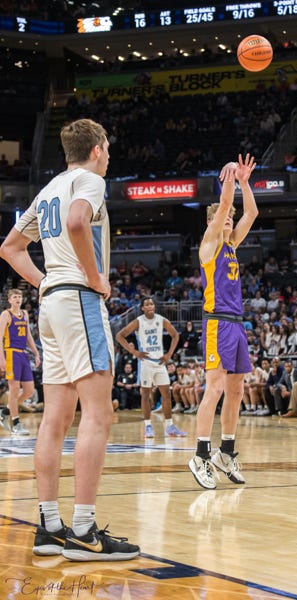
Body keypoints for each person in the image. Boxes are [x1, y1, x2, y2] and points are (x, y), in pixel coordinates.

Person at [0, 118, 139, 561]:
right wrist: (95, 278)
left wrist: (44, 281)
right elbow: (78, 222)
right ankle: (83, 531)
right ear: (96, 149)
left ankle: (49, 527)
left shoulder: (48, 189)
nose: (109, 156)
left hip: (52, 305)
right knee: (98, 414)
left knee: (54, 420)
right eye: (108, 149)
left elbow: (9, 248)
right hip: (79, 300)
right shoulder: (90, 181)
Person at [188, 153, 258, 490]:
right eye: (224, 217)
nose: (229, 219)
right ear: (212, 222)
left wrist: (245, 183)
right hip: (217, 323)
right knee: (214, 388)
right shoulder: (209, 245)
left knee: (236, 390)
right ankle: (200, 455)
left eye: (230, 217)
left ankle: (226, 452)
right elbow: (226, 203)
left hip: (237, 323)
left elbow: (252, 213)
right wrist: (230, 178)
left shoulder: (232, 245)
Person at [115, 296, 187, 439]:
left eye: (152, 304)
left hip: (160, 362)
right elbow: (119, 336)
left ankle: (170, 426)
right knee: (145, 395)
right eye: (147, 304)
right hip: (146, 362)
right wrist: (134, 352)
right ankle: (148, 426)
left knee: (166, 394)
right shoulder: (138, 321)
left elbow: (175, 335)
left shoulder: (161, 320)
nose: (150, 306)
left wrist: (169, 354)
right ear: (142, 308)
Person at [0, 288, 41, 435]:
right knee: (15, 389)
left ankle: (5, 411)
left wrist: (36, 353)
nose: (18, 299)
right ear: (9, 300)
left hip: (23, 354)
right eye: (15, 297)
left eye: (19, 296)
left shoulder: (24, 314)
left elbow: (28, 335)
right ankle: (16, 423)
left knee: (29, 391)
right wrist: (1, 358)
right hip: (11, 353)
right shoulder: (6, 314)